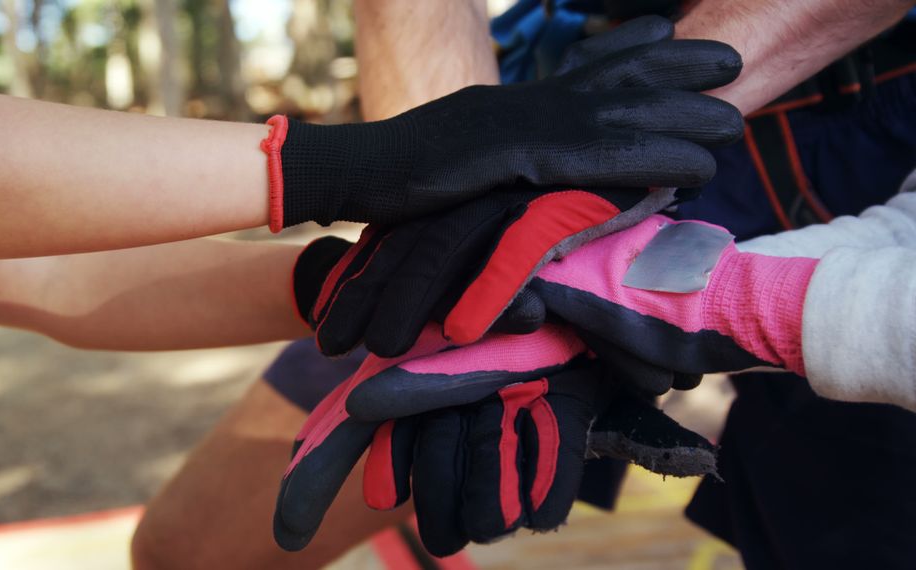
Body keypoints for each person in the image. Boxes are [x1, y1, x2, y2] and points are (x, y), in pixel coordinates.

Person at [128, 0, 916, 568]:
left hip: (861, 119)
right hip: (559, 107)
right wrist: (452, 237)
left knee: (850, 536)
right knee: (193, 546)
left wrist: (621, 134)